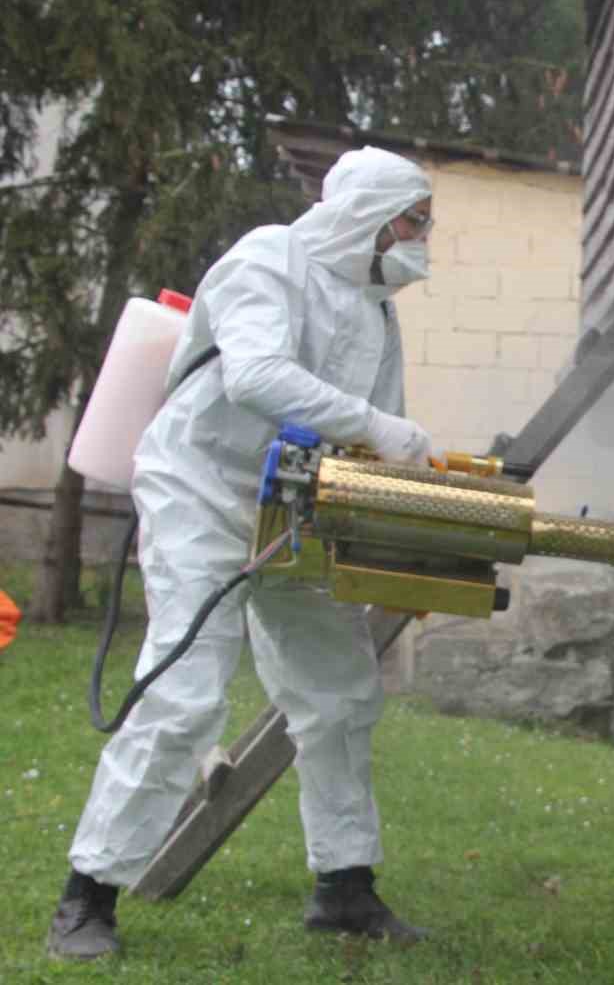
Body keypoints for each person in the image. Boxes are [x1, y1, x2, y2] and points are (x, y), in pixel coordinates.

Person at [47, 147, 440, 960]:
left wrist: (401, 530)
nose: (421, 238)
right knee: (186, 696)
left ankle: (345, 888)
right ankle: (87, 896)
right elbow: (258, 376)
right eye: (413, 220)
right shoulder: (270, 257)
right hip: (199, 488)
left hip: (292, 509)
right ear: (368, 215)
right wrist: (378, 427)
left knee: (339, 693)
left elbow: (379, 440)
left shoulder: (376, 310)